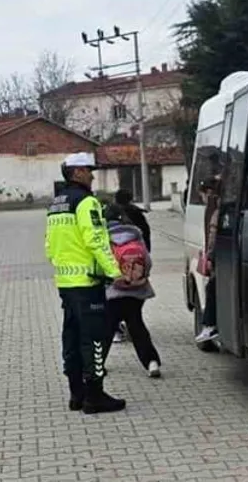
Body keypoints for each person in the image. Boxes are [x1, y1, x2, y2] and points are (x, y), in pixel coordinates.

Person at [44, 152, 126, 414]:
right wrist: (115, 271)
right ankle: (95, 396)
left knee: (71, 336)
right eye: (89, 170)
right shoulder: (86, 202)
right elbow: (96, 240)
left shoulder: (57, 203)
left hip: (66, 281)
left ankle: (76, 395)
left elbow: (49, 245)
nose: (92, 175)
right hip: (88, 281)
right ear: (77, 172)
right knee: (95, 339)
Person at [103, 204, 162, 378]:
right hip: (137, 290)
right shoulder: (135, 233)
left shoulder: (103, 236)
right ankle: (151, 362)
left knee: (106, 329)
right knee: (136, 326)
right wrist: (140, 276)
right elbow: (147, 260)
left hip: (113, 290)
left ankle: (97, 365)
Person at [195, 174, 221, 344]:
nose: (203, 200)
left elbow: (213, 237)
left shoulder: (216, 212)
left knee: (212, 288)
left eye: (203, 195)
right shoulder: (219, 209)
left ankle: (210, 325)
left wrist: (210, 256)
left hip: (218, 258)